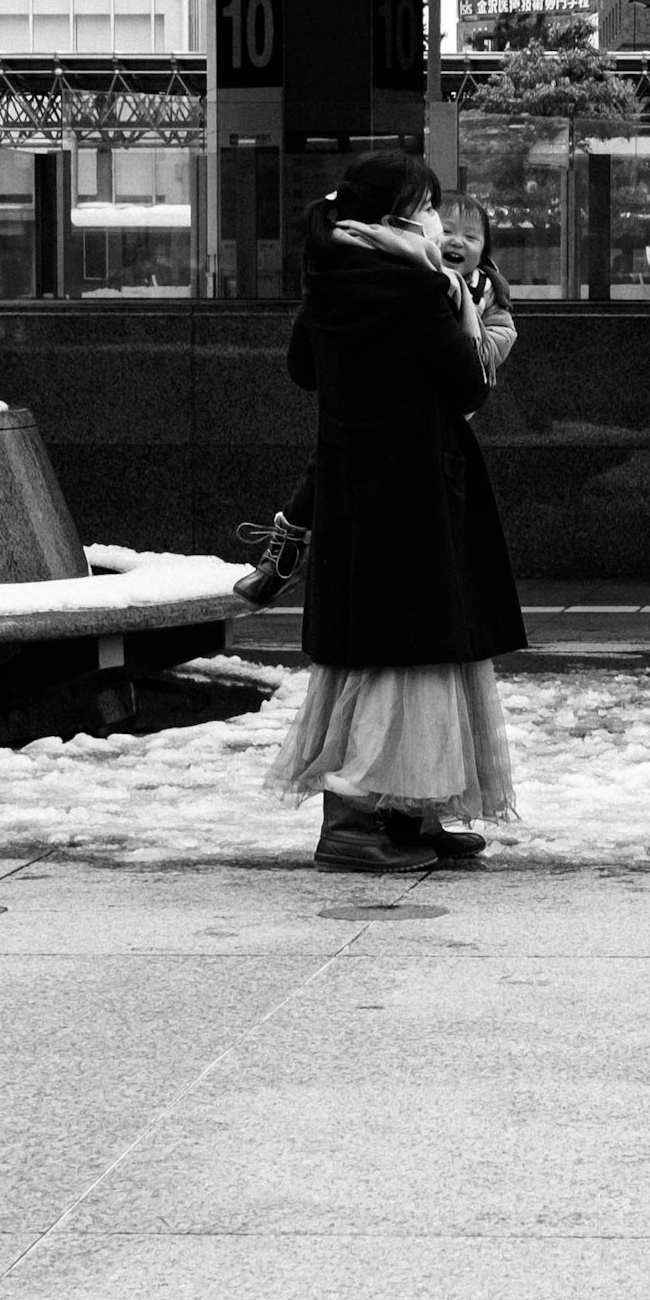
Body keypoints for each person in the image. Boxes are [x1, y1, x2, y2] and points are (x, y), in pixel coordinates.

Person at [261, 152, 530, 870]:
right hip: (414, 482)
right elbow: (469, 381)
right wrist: (456, 304)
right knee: (411, 646)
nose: (437, 220)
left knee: (380, 644)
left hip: (357, 482)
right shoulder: (416, 284)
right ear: (397, 217)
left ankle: (406, 812)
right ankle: (354, 821)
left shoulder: (333, 275)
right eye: (429, 206)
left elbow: (302, 369)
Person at [235, 194, 515, 609]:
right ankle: (289, 541)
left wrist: (477, 351)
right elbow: (306, 368)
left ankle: (290, 545)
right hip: (392, 424)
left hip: (429, 425)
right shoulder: (414, 279)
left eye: (470, 236)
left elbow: (496, 344)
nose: (452, 238)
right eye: (440, 222)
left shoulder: (477, 289)